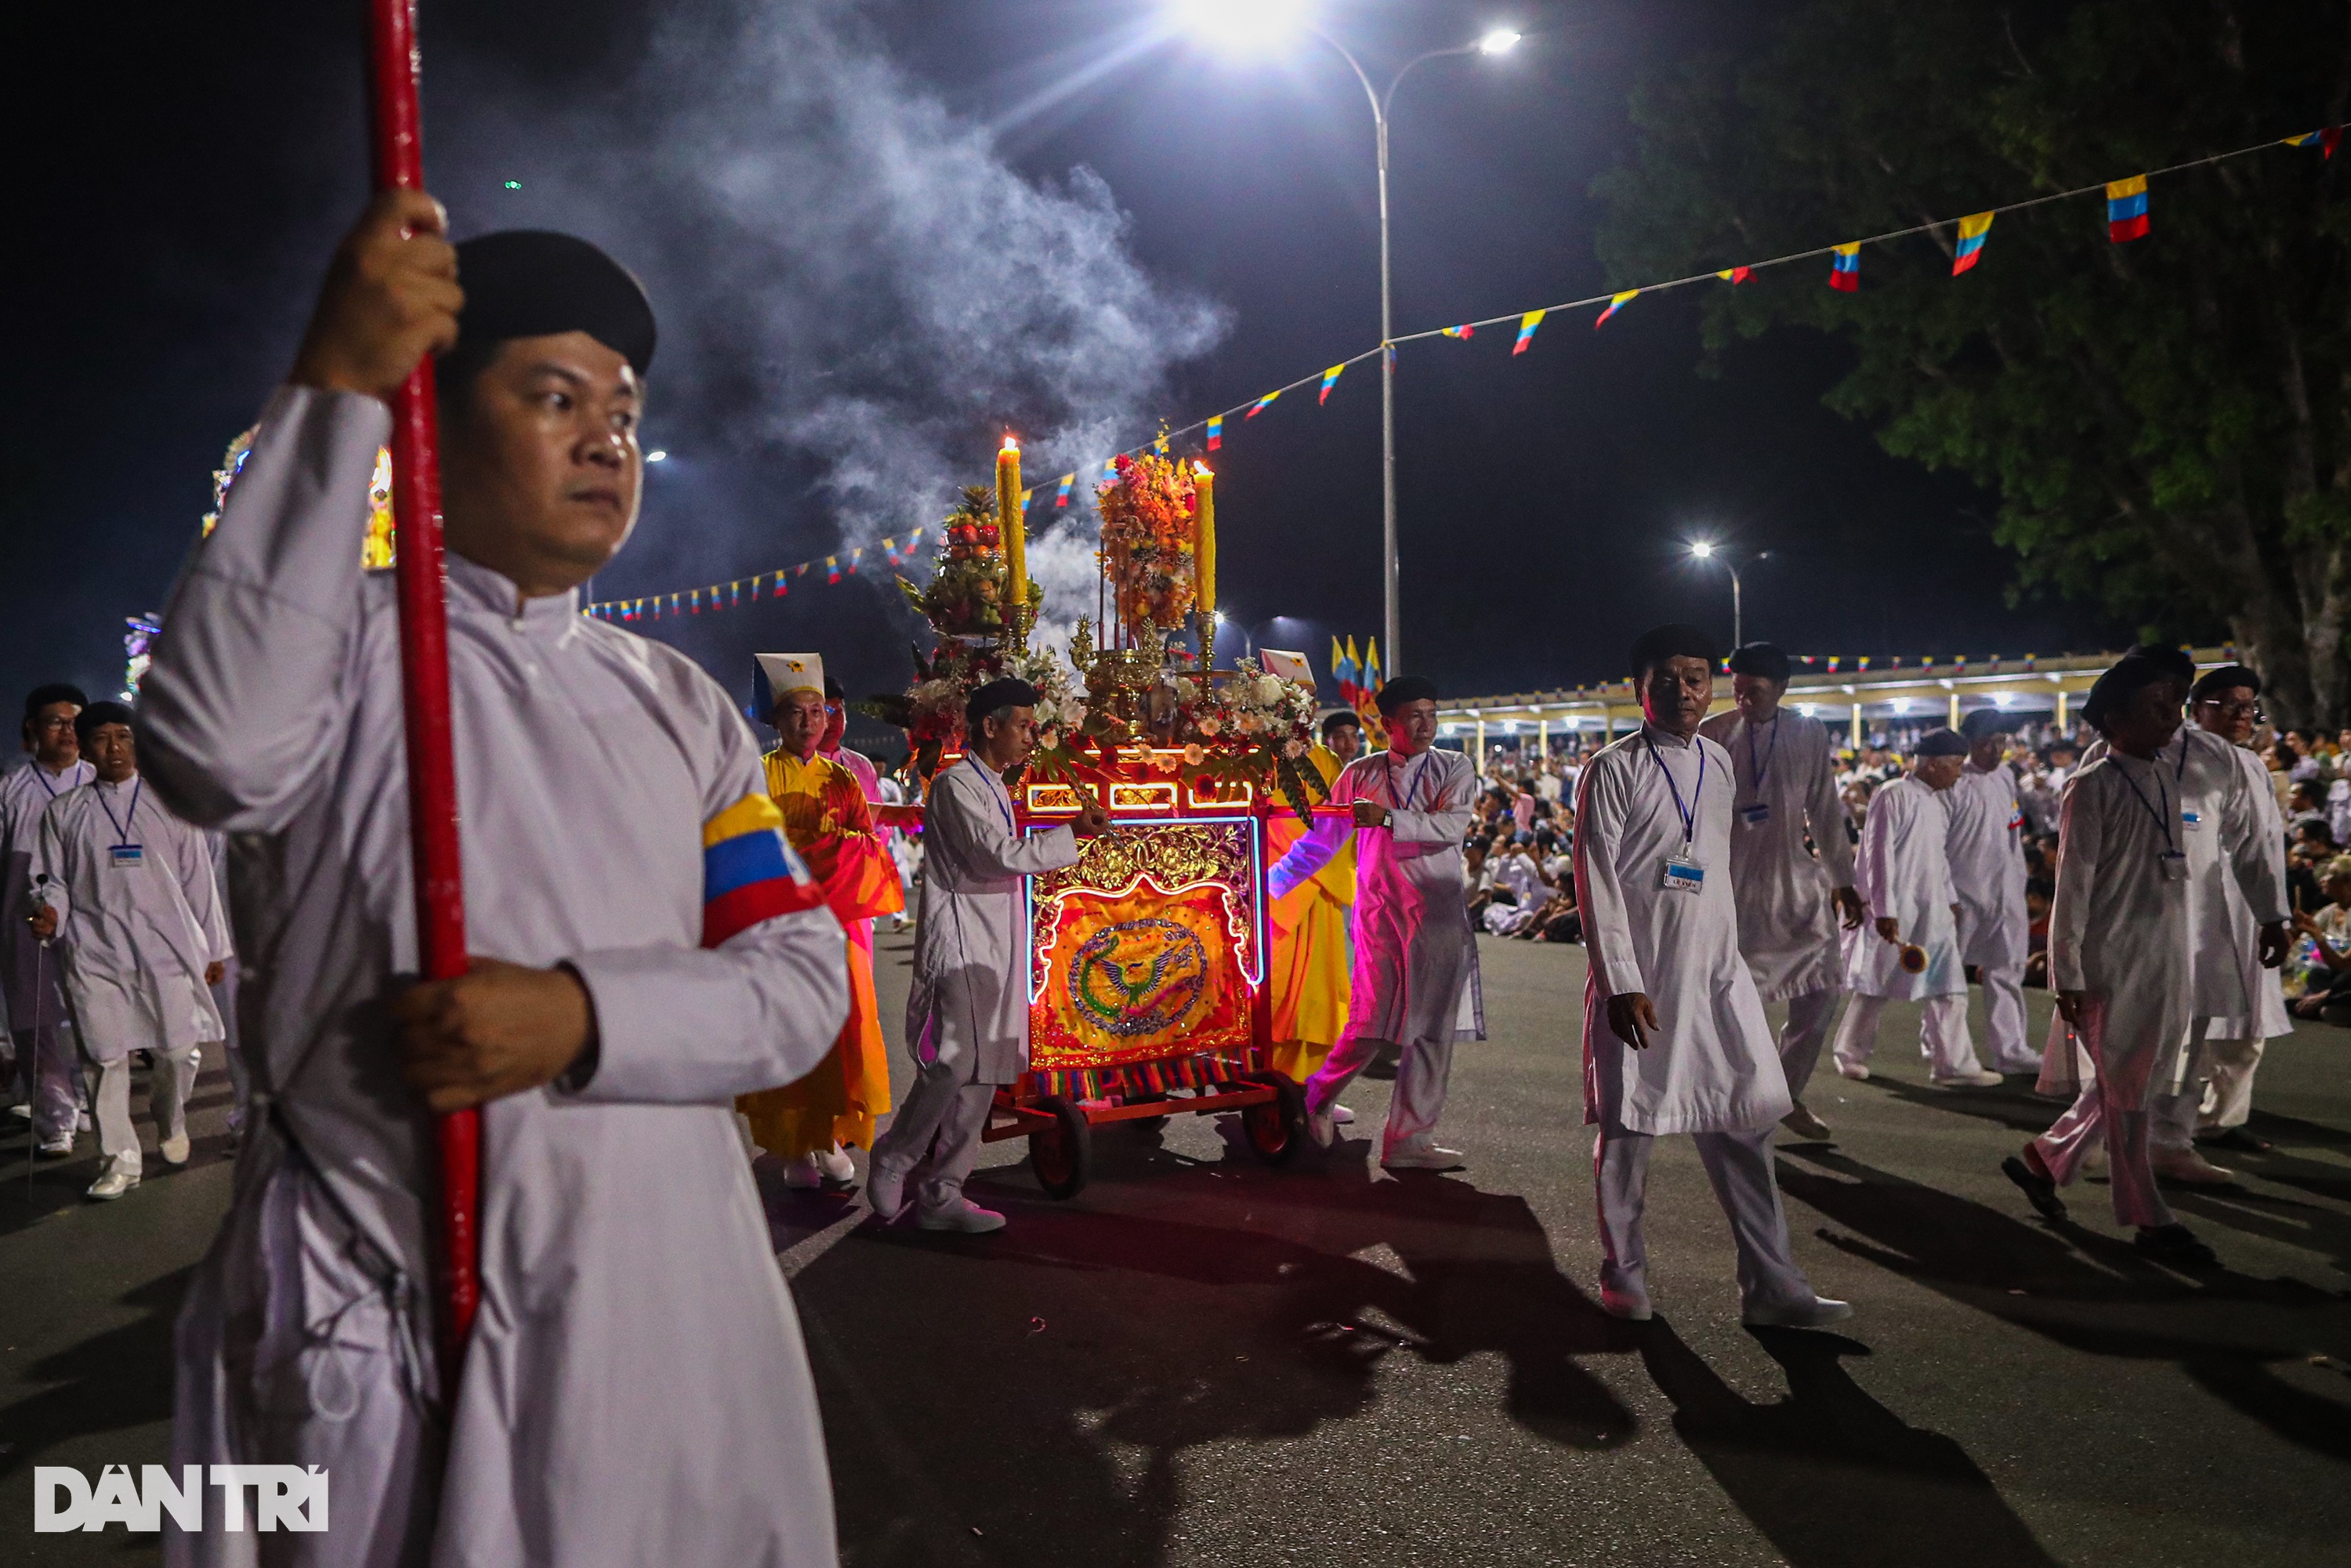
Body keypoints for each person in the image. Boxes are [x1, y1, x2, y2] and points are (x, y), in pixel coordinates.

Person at [139, 200, 857, 1565]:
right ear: (432, 432)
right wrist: (336, 381)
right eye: (554, 396)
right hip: (386, 1306)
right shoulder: (336, 659)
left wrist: (587, 1021)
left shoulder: (682, 707)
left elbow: (798, 977)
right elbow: (211, 748)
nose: (608, 440)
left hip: (667, 1310)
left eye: (626, 412)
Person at [1573, 624, 1850, 1327]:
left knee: (1750, 1121)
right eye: (1666, 677)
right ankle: (1624, 1274)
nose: (1683, 690)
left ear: (1711, 684)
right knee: (1629, 1130)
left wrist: (1734, 962)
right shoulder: (1613, 767)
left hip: (1717, 976)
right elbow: (1595, 879)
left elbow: (1716, 872)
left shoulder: (1719, 764)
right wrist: (1619, 981)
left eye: (1695, 676)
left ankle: (1772, 1285)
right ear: (1640, 687)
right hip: (1641, 982)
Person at [2001, 652, 2285, 1268]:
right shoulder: (2092, 782)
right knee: (2129, 1091)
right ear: (2113, 716)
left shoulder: (2172, 772)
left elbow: (2247, 846)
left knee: (2135, 1080)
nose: (2172, 716)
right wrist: (2065, 974)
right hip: (2114, 959)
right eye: (2158, 704)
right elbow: (2071, 889)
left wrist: (2272, 913)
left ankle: (2047, 1159)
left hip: (2172, 950)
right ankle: (2150, 1217)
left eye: (2176, 703)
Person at [866, 678, 1107, 1231]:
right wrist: (1070, 832)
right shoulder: (955, 785)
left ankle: (943, 1193)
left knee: (984, 1071)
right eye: (1023, 724)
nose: (1031, 735)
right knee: (951, 1062)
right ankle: (895, 1155)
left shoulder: (994, 784)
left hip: (996, 939)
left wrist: (1070, 833)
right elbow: (994, 856)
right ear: (990, 726)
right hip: (960, 939)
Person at [1266, 675, 1482, 1171]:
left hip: (1437, 916)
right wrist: (1269, 885)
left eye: (1431, 714)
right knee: (1369, 1023)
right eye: (1414, 716)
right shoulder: (1359, 773)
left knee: (1431, 1031)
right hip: (1380, 913)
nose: (1426, 725)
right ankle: (1317, 1098)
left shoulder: (1454, 767)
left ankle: (1408, 1139)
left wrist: (1387, 819)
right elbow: (1321, 841)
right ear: (1387, 725)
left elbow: (1451, 828)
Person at [27, 702, 230, 1200]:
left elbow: (199, 883)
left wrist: (214, 949)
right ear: (87, 745)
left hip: (167, 948)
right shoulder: (64, 812)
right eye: (102, 738)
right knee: (104, 1057)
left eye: (124, 736)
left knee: (178, 1052)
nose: (114, 748)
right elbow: (54, 882)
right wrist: (50, 911)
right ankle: (119, 1159)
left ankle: (170, 1117)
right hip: (95, 952)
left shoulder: (172, 804)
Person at [737, 654, 904, 1190]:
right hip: (784, 928)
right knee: (792, 1029)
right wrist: (801, 855)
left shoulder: (843, 778)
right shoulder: (758, 775)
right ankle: (793, 1143)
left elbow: (869, 849)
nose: (808, 722)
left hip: (840, 925)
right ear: (777, 721)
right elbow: (747, 850)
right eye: (796, 713)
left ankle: (829, 1135)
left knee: (844, 1029)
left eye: (816, 711)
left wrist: (828, 850)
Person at [1697, 642, 1865, 1141]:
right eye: (1739, 690)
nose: (1745, 700)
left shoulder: (1808, 732)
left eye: (1756, 691)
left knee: (1822, 993)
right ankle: (1733, 1102)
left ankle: (1785, 1095)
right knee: (1730, 1004)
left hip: (1794, 884)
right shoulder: (1712, 734)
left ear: (1784, 689)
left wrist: (1845, 882)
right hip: (1730, 890)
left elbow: (1826, 811)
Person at [1831, 730, 2006, 1087]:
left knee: (1949, 988)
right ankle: (1849, 1053)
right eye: (1955, 766)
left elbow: (1937, 859)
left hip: (1934, 911)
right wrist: (1883, 910)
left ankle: (1952, 1065)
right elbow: (1876, 856)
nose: (1959, 773)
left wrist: (1951, 900)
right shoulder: (1892, 795)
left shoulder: (1937, 802)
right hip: (1897, 911)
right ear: (1931, 765)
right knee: (1875, 986)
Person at [2186, 666, 2292, 1157]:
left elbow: (2262, 849)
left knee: (2246, 1024)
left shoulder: (2251, 765)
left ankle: (2221, 1118)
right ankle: (2170, 1121)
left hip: (2250, 909)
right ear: (2196, 710)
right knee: (2189, 1019)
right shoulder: (2178, 758)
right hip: (2199, 907)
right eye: (2228, 704)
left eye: (2249, 706)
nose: (2241, 715)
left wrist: (2275, 914)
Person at [1, 683, 93, 1155]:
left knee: (87, 1015)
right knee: (34, 1020)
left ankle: (86, 1098)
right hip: (24, 922)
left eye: (75, 722)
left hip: (92, 922)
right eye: (56, 721)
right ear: (33, 729)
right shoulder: (11, 788)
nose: (68, 731)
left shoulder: (100, 783)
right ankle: (55, 1115)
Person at [1265, 708, 1360, 1088]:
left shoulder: (1328, 762)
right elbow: (1276, 820)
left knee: (1320, 993)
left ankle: (1315, 1084)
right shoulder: (1262, 758)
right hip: (1286, 888)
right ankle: (1273, 1078)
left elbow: (1339, 823)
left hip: (1317, 889)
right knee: (1278, 987)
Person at [1946, 708, 2042, 1074]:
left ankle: (2011, 1049)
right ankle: (1942, 1047)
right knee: (1949, 973)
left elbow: (2013, 831)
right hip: (1962, 892)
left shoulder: (2005, 777)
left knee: (2007, 967)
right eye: (1986, 743)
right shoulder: (1953, 780)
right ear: (1970, 744)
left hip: (2006, 890)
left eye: (2001, 742)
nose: (1995, 750)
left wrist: (2018, 881)